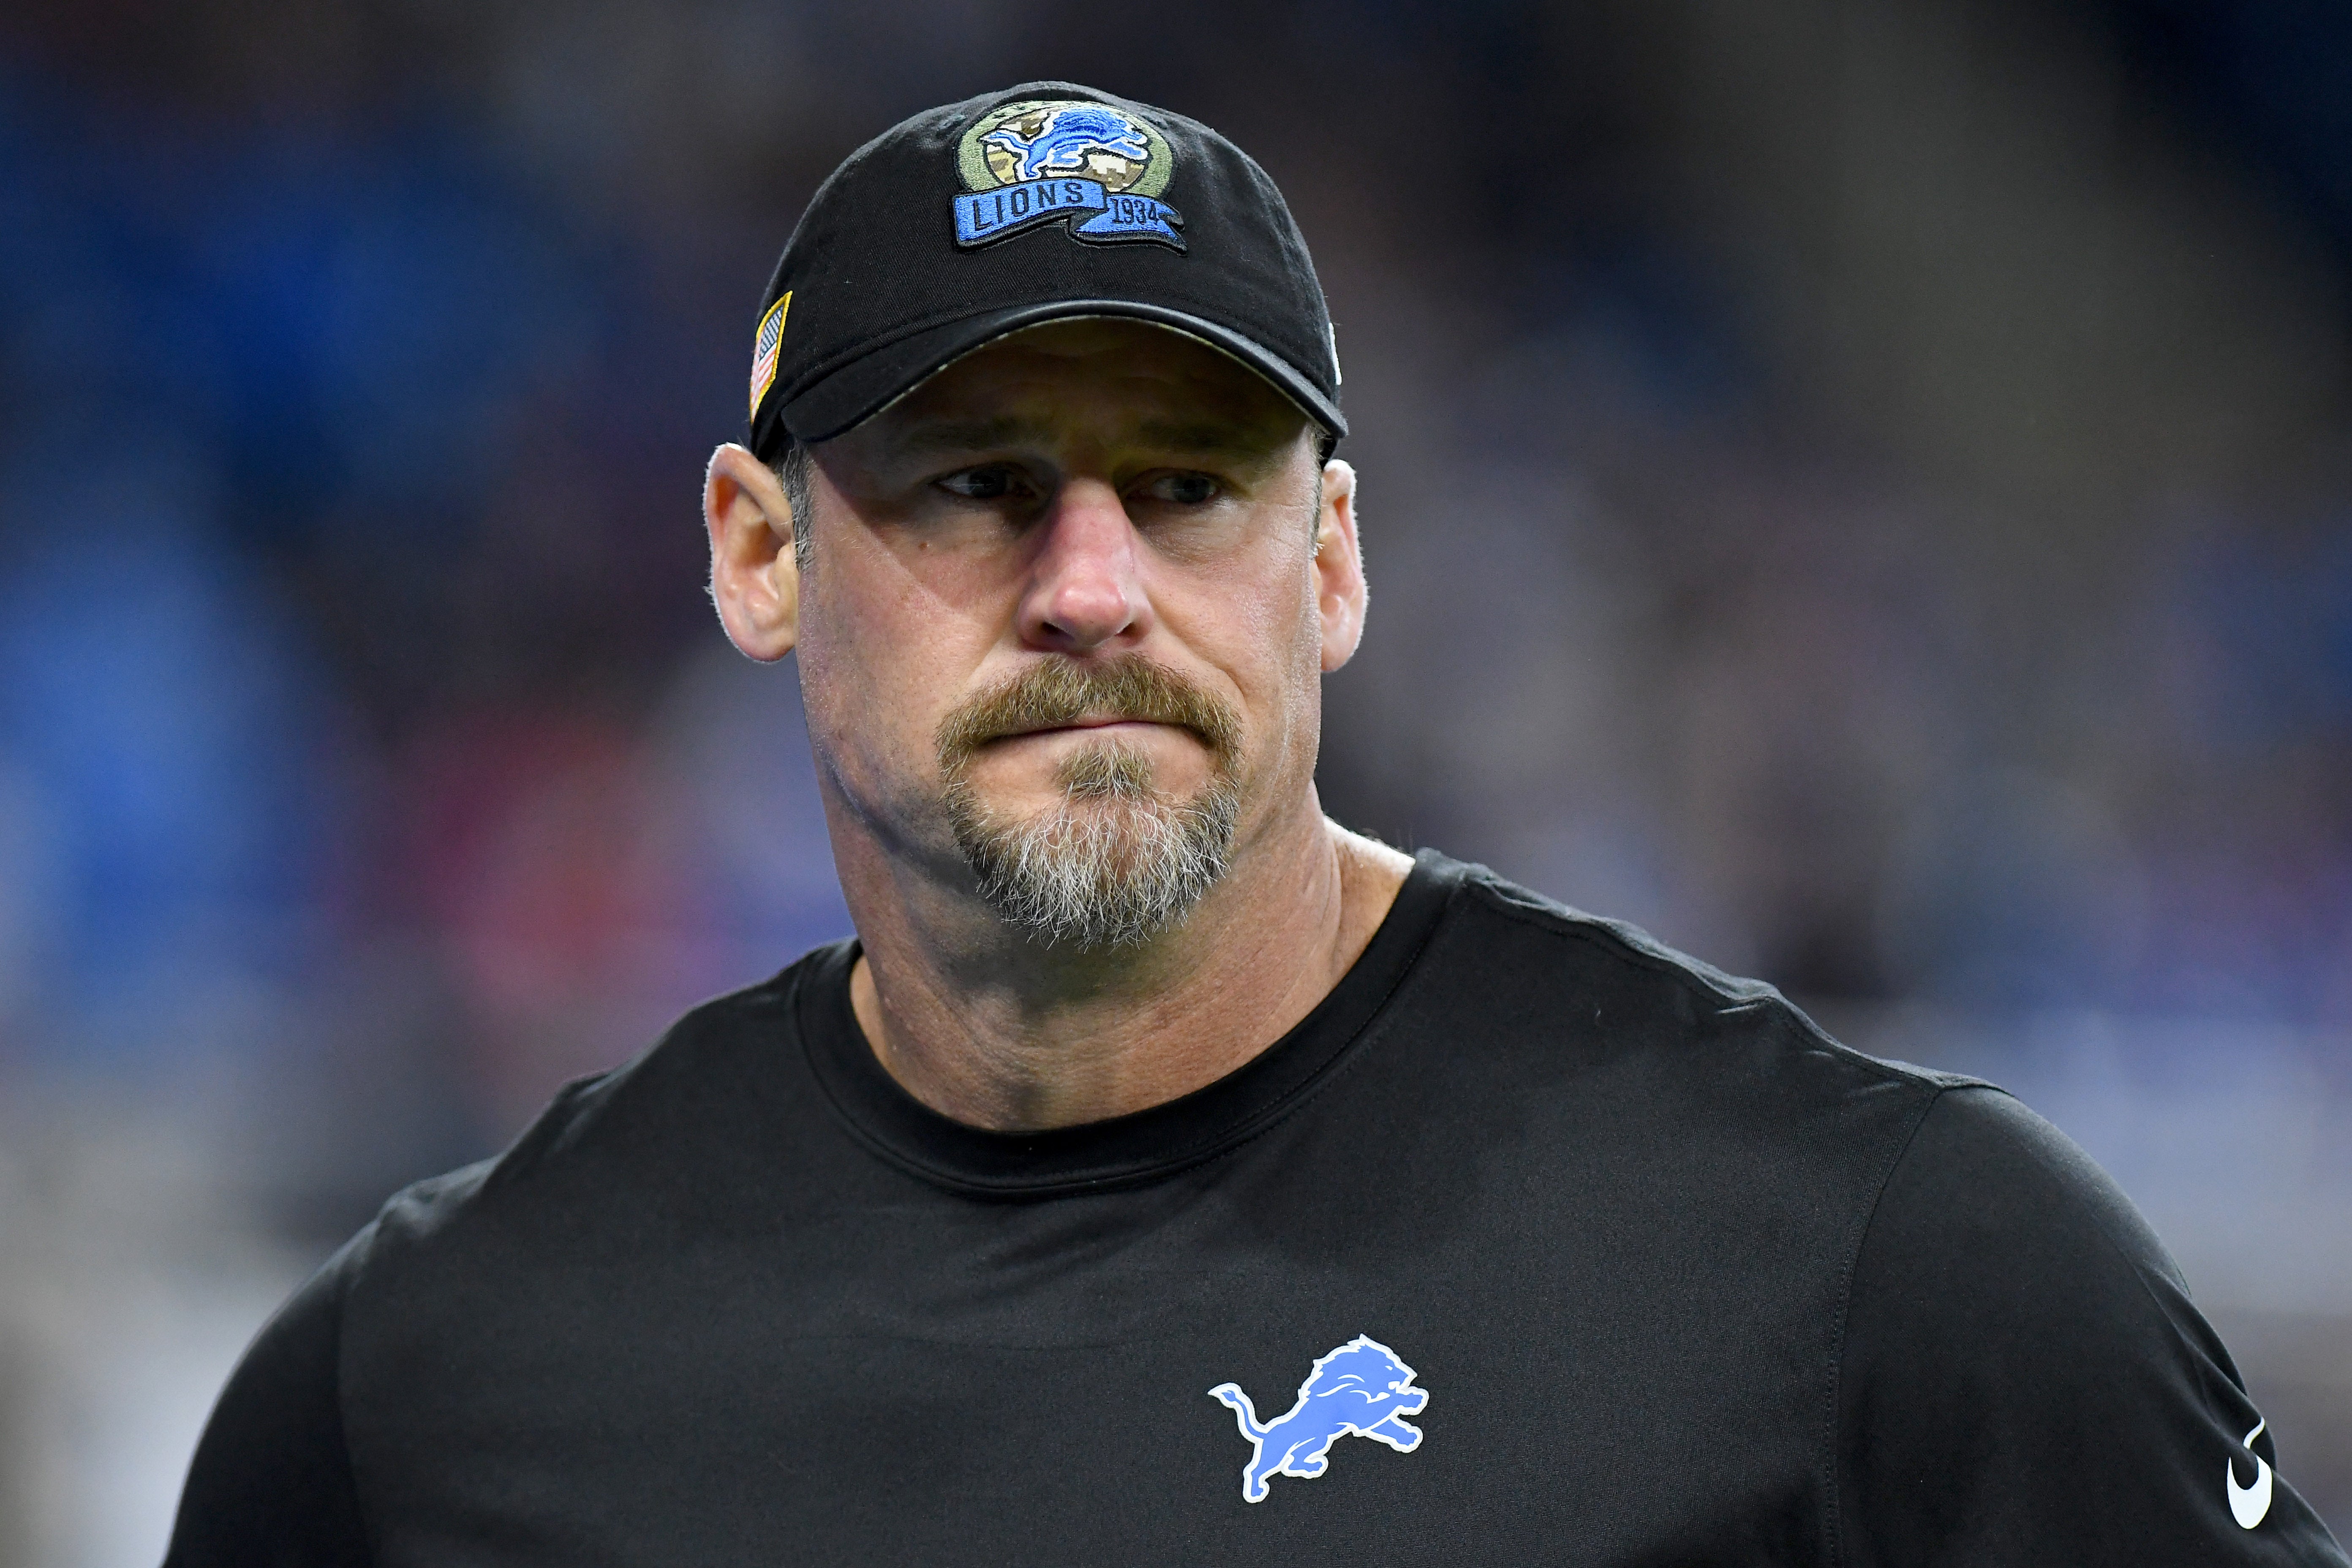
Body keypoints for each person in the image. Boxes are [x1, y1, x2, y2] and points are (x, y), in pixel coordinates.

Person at [166, 82, 2346, 1567]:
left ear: (1332, 567)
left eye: (1193, 485)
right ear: (755, 556)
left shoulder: (1900, 1277)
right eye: (976, 480)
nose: (1095, 583)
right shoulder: (418, 1396)